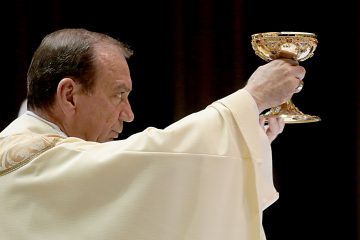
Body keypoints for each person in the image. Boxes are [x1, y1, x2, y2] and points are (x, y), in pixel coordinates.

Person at [0, 28, 305, 240]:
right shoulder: (35, 160)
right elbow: (154, 163)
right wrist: (252, 98)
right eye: (119, 95)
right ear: (69, 95)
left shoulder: (32, 159)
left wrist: (243, 144)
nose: (128, 114)